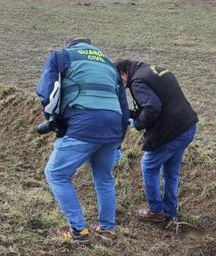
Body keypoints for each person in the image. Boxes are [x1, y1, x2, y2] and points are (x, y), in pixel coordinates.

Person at [36, 37, 129, 243]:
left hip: (84, 122)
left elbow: (46, 92)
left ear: (71, 44)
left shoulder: (62, 56)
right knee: (104, 178)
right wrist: (118, 140)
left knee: (56, 173)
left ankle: (78, 230)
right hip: (113, 124)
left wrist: (53, 119)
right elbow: (124, 106)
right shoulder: (108, 64)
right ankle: (107, 230)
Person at [115, 59, 198, 222]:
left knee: (149, 166)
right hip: (187, 126)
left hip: (171, 130)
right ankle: (169, 211)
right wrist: (129, 114)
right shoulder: (151, 70)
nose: (119, 85)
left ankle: (155, 211)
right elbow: (154, 103)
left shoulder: (137, 81)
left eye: (118, 80)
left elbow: (152, 107)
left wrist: (138, 124)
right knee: (170, 171)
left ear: (123, 73)